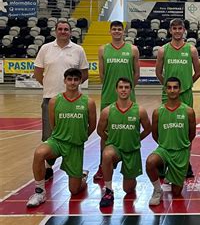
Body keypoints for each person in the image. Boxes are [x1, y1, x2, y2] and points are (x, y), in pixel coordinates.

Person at [26, 68, 96, 207]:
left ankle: (82, 177)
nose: (72, 82)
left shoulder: (88, 102)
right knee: (39, 153)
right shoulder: (54, 101)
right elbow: (53, 125)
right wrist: (61, 135)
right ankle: (40, 192)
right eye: (69, 79)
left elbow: (92, 125)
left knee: (74, 190)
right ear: (64, 81)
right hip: (57, 141)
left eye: (76, 79)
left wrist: (80, 137)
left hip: (75, 146)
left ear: (80, 81)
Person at [34, 20, 89, 181]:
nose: (63, 31)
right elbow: (38, 72)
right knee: (49, 134)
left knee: (74, 134)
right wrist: (48, 85)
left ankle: (74, 166)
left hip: (73, 100)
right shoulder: (45, 48)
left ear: (71, 32)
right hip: (50, 98)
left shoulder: (78, 50)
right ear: (55, 31)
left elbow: (84, 73)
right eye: (60, 29)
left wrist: (72, 87)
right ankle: (48, 167)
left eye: (66, 29)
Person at [94, 20, 140, 181]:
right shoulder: (103, 50)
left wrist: (126, 90)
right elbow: (102, 75)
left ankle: (130, 163)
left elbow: (136, 74)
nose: (116, 31)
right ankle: (103, 164)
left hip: (128, 98)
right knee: (105, 133)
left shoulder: (133, 49)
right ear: (110, 31)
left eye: (119, 29)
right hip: (108, 96)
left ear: (123, 32)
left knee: (129, 130)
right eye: (114, 29)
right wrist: (112, 89)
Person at [155, 18, 200, 177]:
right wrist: (169, 88)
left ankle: (185, 162)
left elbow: (198, 73)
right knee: (165, 128)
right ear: (170, 30)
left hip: (185, 94)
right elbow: (158, 72)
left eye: (179, 28)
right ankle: (164, 161)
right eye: (174, 28)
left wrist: (186, 85)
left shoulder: (191, 50)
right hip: (168, 94)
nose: (177, 31)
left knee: (185, 129)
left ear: (184, 30)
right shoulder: (163, 50)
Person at [97, 78, 151, 208]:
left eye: (126, 87)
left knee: (128, 189)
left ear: (131, 90)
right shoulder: (107, 111)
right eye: (121, 87)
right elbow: (100, 131)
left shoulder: (140, 111)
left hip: (131, 151)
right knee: (107, 154)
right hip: (115, 148)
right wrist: (110, 142)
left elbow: (148, 129)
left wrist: (136, 139)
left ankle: (130, 178)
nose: (123, 90)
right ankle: (109, 190)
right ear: (116, 89)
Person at [146, 77, 196, 205]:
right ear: (165, 90)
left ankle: (171, 173)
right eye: (169, 87)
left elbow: (192, 134)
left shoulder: (188, 111)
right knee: (150, 161)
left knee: (176, 192)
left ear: (180, 90)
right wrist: (165, 144)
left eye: (175, 87)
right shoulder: (158, 112)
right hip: (164, 150)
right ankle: (158, 190)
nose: (172, 90)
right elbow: (155, 134)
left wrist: (181, 144)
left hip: (181, 153)